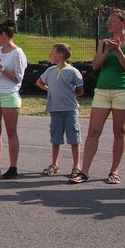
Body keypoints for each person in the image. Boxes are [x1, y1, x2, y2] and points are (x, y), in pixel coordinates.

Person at [70, 9, 125, 184]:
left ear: (124, 23)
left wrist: (118, 50)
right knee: (93, 131)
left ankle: (114, 172)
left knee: (120, 132)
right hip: (102, 91)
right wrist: (108, 51)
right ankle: (84, 172)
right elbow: (95, 65)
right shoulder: (103, 43)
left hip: (123, 92)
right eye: (108, 20)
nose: (108, 23)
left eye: (113, 21)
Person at [0, 19, 28, 179]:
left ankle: (13, 167)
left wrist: (1, 67)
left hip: (9, 94)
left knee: (11, 131)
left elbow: (18, 79)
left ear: (4, 35)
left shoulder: (18, 53)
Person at [36, 44, 84, 178]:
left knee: (74, 138)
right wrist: (49, 89)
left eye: (52, 53)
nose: (49, 55)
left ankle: (76, 166)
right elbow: (39, 82)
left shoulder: (73, 72)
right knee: (56, 138)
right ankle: (54, 164)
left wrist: (69, 96)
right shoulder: (50, 71)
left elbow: (80, 90)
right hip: (55, 110)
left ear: (60, 55)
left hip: (70, 110)